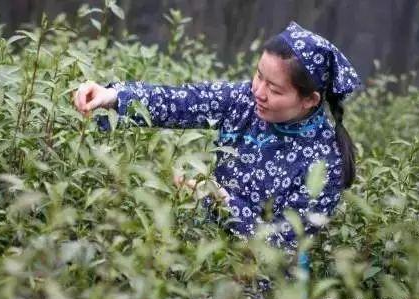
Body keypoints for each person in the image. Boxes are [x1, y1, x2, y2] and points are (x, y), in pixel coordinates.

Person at [73, 21, 362, 277]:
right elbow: (184, 101)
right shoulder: (244, 100)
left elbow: (282, 248)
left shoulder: (326, 162)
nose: (258, 91)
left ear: (310, 100)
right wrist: (112, 96)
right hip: (207, 253)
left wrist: (220, 201)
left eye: (274, 89)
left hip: (262, 286)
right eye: (259, 75)